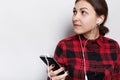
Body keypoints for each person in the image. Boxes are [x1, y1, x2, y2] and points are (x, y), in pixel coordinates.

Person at [47, 0, 120, 80]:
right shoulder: (64, 46)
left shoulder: (113, 46)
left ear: (99, 19)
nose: (75, 18)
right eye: (75, 12)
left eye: (83, 12)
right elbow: (54, 77)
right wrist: (52, 77)